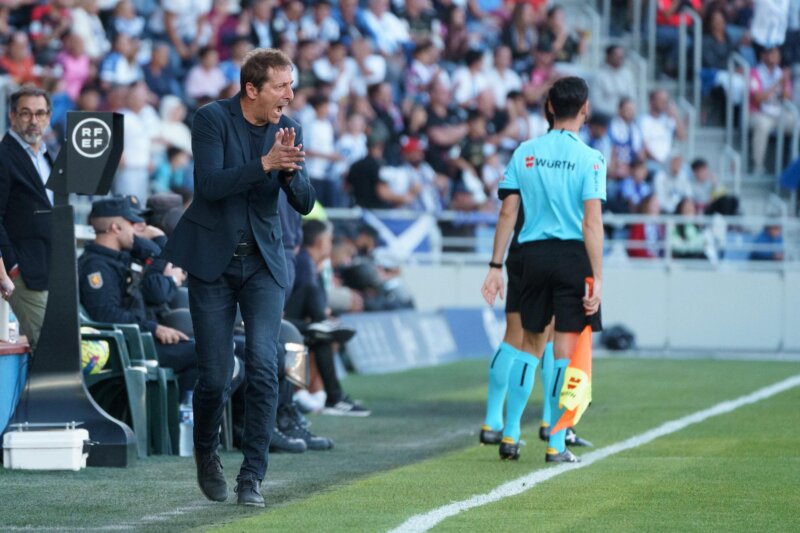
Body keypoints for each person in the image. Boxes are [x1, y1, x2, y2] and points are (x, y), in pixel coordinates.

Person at [161, 48, 315, 508]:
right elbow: (208, 186)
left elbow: (305, 203)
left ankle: (252, 477)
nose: (290, 95)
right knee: (214, 375)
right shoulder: (211, 119)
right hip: (213, 263)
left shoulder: (290, 129)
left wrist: (288, 174)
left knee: (266, 367)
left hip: (264, 264)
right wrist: (266, 165)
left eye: (291, 85)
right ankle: (207, 454)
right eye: (281, 86)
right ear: (252, 89)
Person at [481, 77, 605, 463]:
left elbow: (507, 211)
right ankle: (555, 441)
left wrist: (495, 265)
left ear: (549, 106)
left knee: (528, 346)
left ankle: (510, 433)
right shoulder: (591, 158)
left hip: (530, 255)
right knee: (563, 351)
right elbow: (591, 223)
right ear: (584, 109)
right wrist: (597, 276)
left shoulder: (525, 152)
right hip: (571, 258)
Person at [79, 198, 199, 396]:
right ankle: (181, 417)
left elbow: (156, 258)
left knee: (214, 350)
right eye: (131, 224)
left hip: (140, 339)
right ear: (115, 227)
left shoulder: (120, 257)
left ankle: (178, 413)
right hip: (127, 347)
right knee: (208, 355)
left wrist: (158, 240)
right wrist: (154, 328)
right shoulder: (96, 266)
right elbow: (106, 314)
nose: (137, 230)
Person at [0, 85, 54, 351]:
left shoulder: (47, 155)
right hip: (23, 271)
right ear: (12, 116)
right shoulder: (3, 156)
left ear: (48, 116)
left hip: (50, 267)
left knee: (57, 346)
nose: (34, 120)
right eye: (26, 113)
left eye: (40, 113)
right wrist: (12, 264)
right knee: (50, 346)